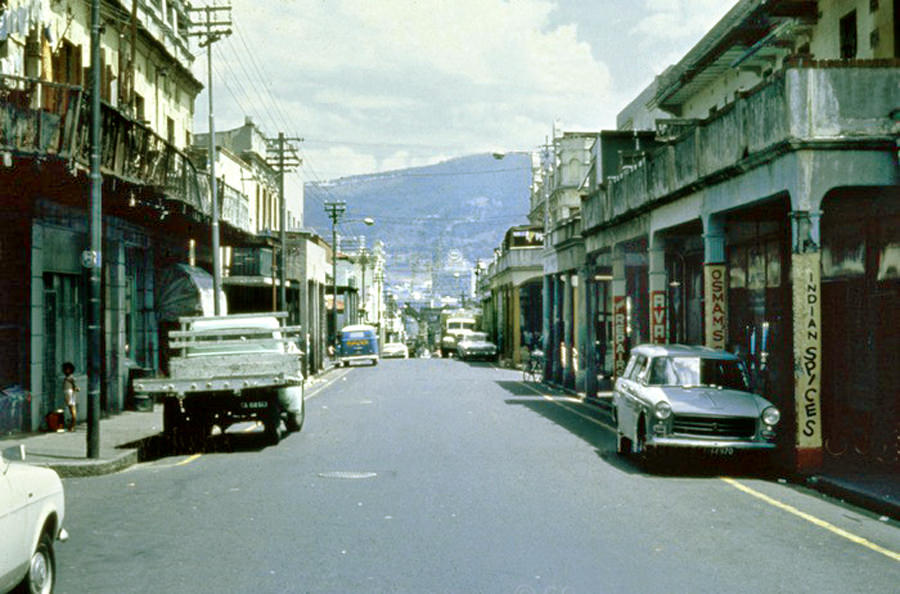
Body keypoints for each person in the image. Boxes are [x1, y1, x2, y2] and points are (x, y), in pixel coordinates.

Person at [62, 361, 78, 431]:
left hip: (69, 393)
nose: (66, 370)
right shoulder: (68, 377)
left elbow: (74, 385)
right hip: (68, 393)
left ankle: (73, 426)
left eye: (68, 369)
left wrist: (75, 388)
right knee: (71, 409)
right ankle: (72, 425)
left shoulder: (70, 377)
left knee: (72, 409)